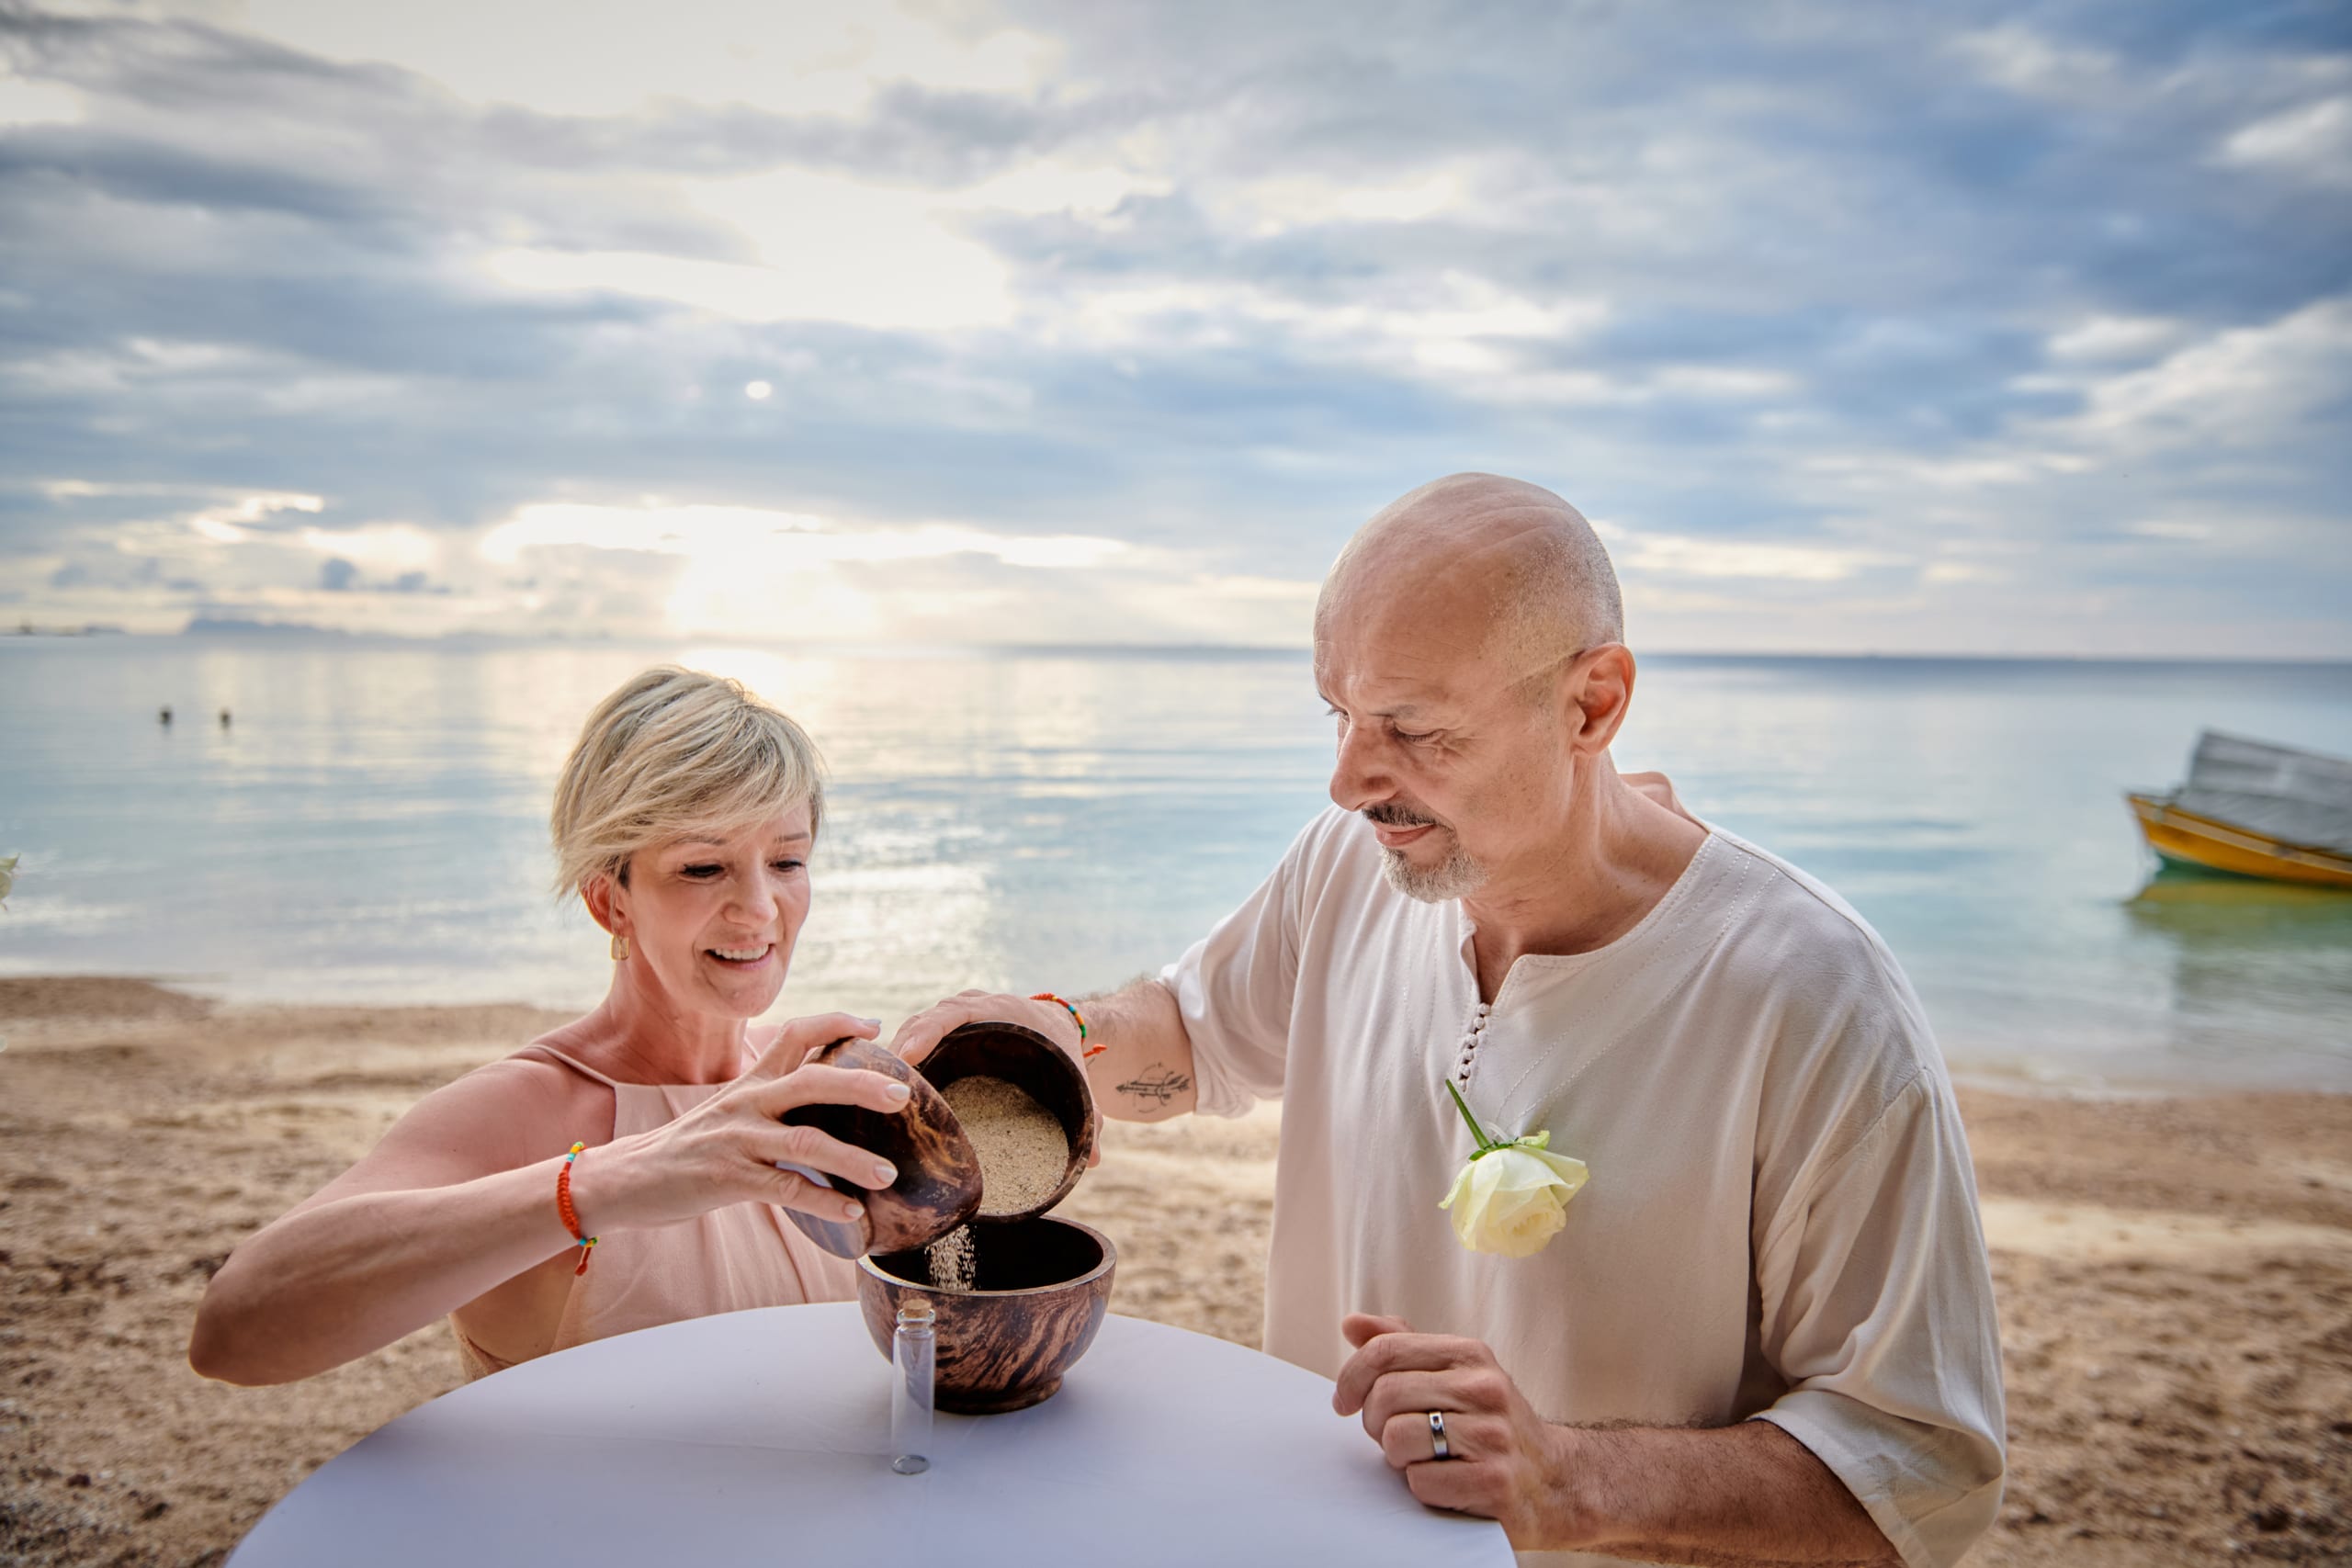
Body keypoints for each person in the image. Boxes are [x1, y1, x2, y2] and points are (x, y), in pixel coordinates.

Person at [895, 475, 2006, 1568]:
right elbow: (1191, 1033)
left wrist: (1563, 1478)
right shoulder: (1354, 863)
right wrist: (1045, 1030)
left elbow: (1914, 1476)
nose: (1346, 781)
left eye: (1413, 729)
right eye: (1337, 714)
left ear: (1592, 704)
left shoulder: (1812, 997)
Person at [191, 667, 910, 1384]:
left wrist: (1015, 1029)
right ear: (611, 902)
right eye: (702, 867)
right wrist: (607, 1182)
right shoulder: (528, 1108)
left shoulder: (817, 1083)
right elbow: (234, 1330)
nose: (760, 907)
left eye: (787, 859)